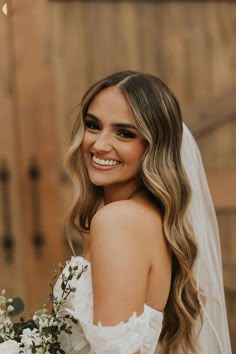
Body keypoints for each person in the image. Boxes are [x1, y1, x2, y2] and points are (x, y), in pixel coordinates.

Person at [54, 71, 232, 353]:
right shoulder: (145, 217)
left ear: (154, 146)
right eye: (93, 125)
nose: (99, 144)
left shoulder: (117, 222)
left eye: (125, 133)